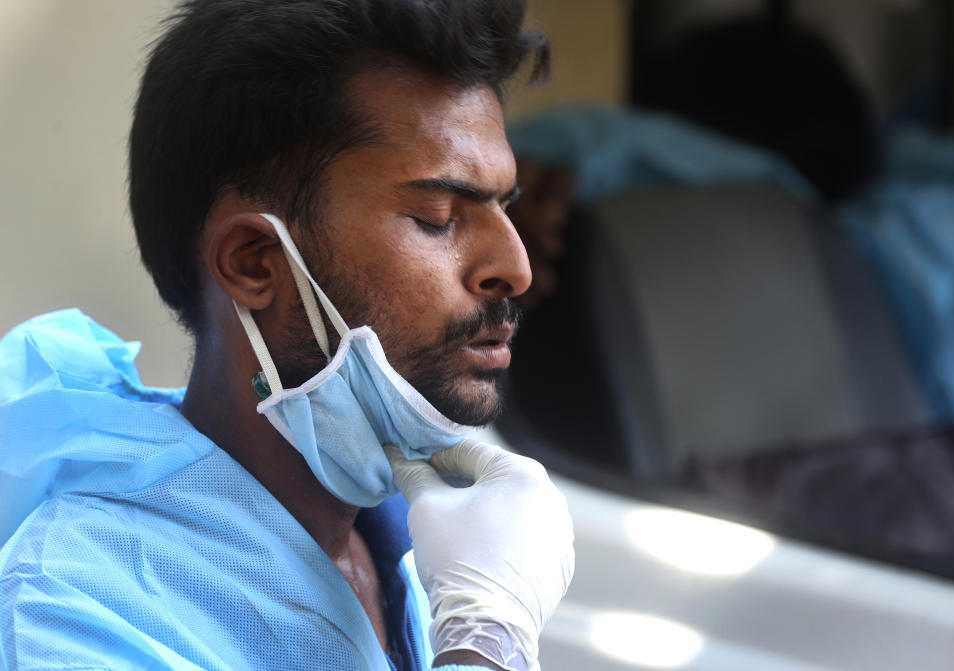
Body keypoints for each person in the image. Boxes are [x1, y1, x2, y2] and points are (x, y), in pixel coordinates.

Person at [0, 2, 574, 670]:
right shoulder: (79, 606)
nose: (515, 267)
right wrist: (485, 646)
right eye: (438, 216)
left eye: (503, 206)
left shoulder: (404, 541)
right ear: (253, 261)